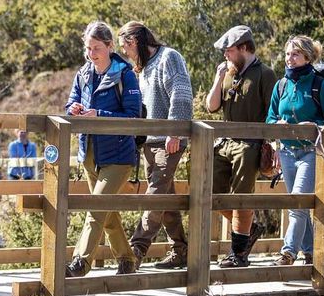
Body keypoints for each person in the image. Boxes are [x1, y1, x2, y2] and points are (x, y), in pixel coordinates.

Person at [65, 21, 142, 277]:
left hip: (119, 155)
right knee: (105, 213)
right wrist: (73, 109)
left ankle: (80, 263)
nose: (92, 53)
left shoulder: (125, 74)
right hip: (89, 154)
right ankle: (127, 260)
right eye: (88, 48)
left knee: (96, 208)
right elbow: (71, 102)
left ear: (110, 46)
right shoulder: (83, 73)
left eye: (97, 48)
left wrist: (100, 114)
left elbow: (133, 115)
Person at [117, 21, 193, 269]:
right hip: (150, 142)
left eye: (126, 48)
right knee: (165, 198)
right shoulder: (145, 67)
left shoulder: (169, 57)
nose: (126, 53)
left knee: (155, 195)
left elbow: (181, 95)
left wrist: (175, 131)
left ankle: (136, 250)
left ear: (134, 41)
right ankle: (181, 250)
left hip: (168, 140)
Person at [206, 25, 277, 268]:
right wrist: (217, 78)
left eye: (229, 50)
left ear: (244, 48)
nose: (225, 55)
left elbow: (273, 112)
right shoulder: (227, 73)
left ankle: (238, 253)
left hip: (249, 144)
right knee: (210, 192)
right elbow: (211, 107)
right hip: (224, 142)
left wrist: (271, 144)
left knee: (241, 198)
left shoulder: (265, 74)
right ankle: (248, 230)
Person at [267, 36, 324, 265]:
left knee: (297, 201)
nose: (290, 59)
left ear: (307, 57)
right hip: (287, 152)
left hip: (312, 151)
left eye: (295, 54)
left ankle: (288, 252)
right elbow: (269, 119)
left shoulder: (321, 86)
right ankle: (309, 251)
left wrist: (315, 127)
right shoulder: (281, 86)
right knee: (299, 204)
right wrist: (275, 129)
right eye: (288, 54)